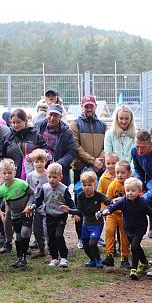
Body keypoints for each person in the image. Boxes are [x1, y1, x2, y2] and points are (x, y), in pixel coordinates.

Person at [103, 177, 152, 280]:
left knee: (134, 246)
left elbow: (151, 213)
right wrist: (107, 210)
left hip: (140, 228)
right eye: (127, 190)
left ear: (139, 191)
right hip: (128, 228)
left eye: (133, 191)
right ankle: (144, 263)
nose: (130, 193)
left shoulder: (142, 202)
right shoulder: (123, 201)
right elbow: (113, 206)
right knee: (136, 246)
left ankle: (133, 269)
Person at [26, 162, 76, 268]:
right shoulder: (44, 188)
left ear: (60, 177)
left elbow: (70, 202)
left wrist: (73, 212)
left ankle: (63, 257)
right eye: (49, 177)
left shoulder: (64, 189)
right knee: (51, 237)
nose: (51, 179)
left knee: (58, 235)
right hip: (49, 216)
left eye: (54, 177)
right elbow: (38, 200)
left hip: (60, 216)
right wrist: (32, 206)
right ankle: (54, 258)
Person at [70, 95, 107, 238]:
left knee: (98, 202)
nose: (89, 108)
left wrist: (100, 161)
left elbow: (106, 145)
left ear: (95, 106)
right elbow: (76, 146)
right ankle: (81, 236)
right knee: (81, 203)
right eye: (86, 106)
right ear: (82, 106)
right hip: (81, 168)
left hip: (99, 169)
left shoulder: (103, 125)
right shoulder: (75, 124)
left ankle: (97, 235)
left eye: (91, 105)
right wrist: (93, 161)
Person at [61, 171, 112, 269]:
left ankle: (98, 259)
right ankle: (92, 260)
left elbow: (108, 202)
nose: (87, 187)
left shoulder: (99, 195)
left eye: (89, 184)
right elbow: (79, 211)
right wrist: (68, 210)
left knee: (92, 244)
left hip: (97, 223)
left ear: (94, 184)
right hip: (86, 223)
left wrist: (111, 205)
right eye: (84, 185)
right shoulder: (80, 196)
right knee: (85, 245)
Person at [0, 158, 35, 268]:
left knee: (25, 232)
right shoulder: (1, 190)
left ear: (15, 171)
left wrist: (29, 205)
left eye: (10, 172)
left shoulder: (21, 184)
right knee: (18, 236)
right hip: (15, 215)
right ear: (1, 173)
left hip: (26, 213)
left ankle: (23, 256)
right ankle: (20, 258)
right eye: (4, 173)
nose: (7, 175)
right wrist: (0, 212)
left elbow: (32, 194)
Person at [34, 104, 76, 186]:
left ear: (60, 117)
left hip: (58, 172)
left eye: (56, 116)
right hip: (40, 170)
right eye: (50, 115)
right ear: (46, 114)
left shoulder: (67, 132)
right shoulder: (38, 126)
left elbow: (71, 152)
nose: (52, 118)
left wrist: (57, 165)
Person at [103, 160, 132, 268]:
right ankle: (109, 254)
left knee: (125, 235)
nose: (119, 175)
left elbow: (136, 197)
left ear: (128, 173)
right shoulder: (113, 185)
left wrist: (125, 199)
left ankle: (125, 258)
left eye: (122, 173)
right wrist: (110, 205)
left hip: (126, 215)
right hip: (113, 213)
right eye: (117, 172)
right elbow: (107, 199)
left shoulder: (131, 184)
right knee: (109, 230)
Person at [2, 108, 46, 180]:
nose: (15, 125)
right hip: (12, 177)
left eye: (18, 122)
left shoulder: (36, 135)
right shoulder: (7, 137)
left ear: (25, 121)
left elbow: (44, 153)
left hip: (33, 176)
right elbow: (1, 156)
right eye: (13, 122)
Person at [26, 149, 49, 259]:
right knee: (37, 229)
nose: (39, 163)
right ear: (33, 162)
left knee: (47, 229)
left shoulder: (49, 175)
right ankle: (41, 249)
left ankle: (50, 251)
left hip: (47, 206)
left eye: (41, 161)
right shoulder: (30, 176)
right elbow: (28, 191)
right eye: (36, 161)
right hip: (35, 206)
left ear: (45, 161)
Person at [104, 104, 136, 170]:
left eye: (127, 118)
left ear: (131, 119)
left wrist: (130, 171)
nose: (124, 121)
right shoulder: (109, 133)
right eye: (121, 118)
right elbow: (108, 154)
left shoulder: (136, 134)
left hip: (130, 171)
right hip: (114, 171)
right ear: (117, 118)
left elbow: (136, 157)